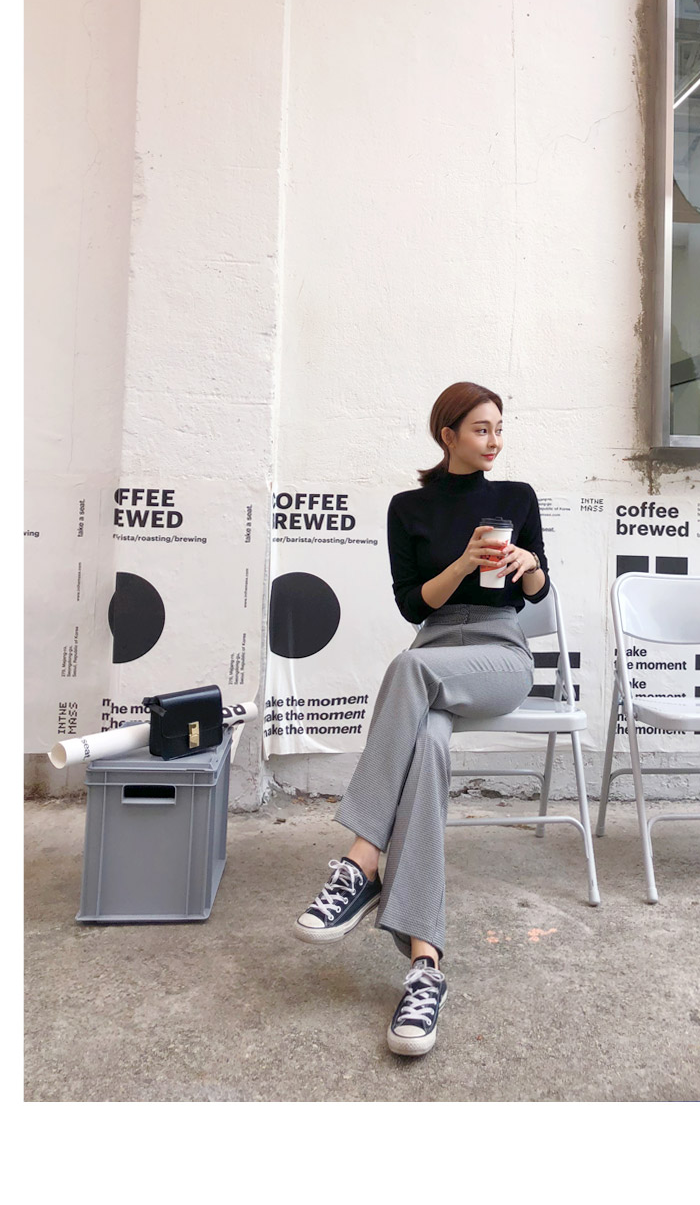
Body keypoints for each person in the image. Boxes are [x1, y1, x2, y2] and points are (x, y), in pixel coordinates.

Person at [294, 381, 551, 1057]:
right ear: (447, 434)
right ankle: (425, 966)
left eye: (500, 428)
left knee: (408, 670)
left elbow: (537, 590)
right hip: (436, 646)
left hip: (498, 654)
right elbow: (414, 606)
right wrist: (464, 561)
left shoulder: (517, 497)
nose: (494, 441)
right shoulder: (408, 507)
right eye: (481, 429)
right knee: (428, 742)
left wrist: (527, 564)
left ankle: (361, 859)